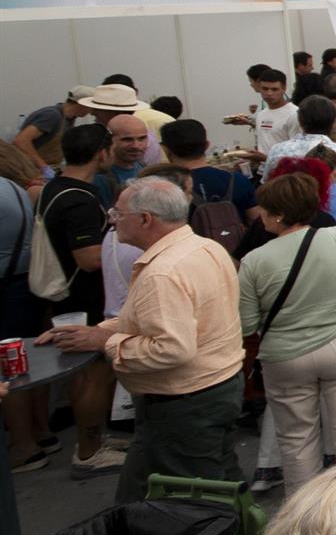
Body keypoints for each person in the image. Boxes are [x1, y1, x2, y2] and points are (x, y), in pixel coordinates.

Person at [39, 178, 243, 500]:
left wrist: (103, 342)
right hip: (214, 388)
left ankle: (232, 534)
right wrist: (98, 331)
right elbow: (166, 318)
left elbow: (171, 349)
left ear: (146, 219)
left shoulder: (163, 271)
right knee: (209, 485)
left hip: (185, 403)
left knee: (199, 501)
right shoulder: (205, 247)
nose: (112, 220)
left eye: (118, 213)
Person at [237, 174, 336, 496]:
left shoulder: (254, 260)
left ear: (278, 214)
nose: (260, 215)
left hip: (285, 357)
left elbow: (246, 324)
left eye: (264, 209)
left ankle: (307, 514)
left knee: (296, 443)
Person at [31, 123, 125, 480]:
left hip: (70, 299)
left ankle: (95, 440)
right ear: (102, 153)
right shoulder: (79, 199)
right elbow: (88, 258)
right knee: (95, 375)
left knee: (83, 374)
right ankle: (89, 453)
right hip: (86, 299)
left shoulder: (55, 187)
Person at [12, 86, 94, 174]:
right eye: (90, 107)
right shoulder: (52, 116)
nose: (91, 112)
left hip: (48, 167)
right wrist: (44, 167)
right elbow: (21, 141)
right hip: (29, 169)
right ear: (82, 104)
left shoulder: (69, 119)